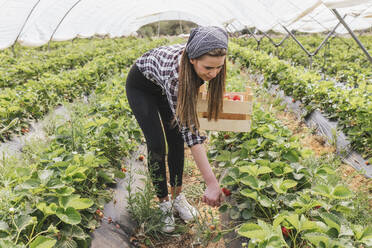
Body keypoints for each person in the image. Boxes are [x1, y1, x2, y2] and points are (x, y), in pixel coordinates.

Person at [125, 26, 228, 233]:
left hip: (165, 87)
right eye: (208, 68)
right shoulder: (176, 78)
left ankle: (178, 197)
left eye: (218, 68)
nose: (214, 73)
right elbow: (191, 133)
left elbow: (186, 131)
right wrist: (211, 183)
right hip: (142, 87)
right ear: (192, 59)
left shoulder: (207, 65)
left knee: (176, 140)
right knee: (157, 145)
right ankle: (164, 204)